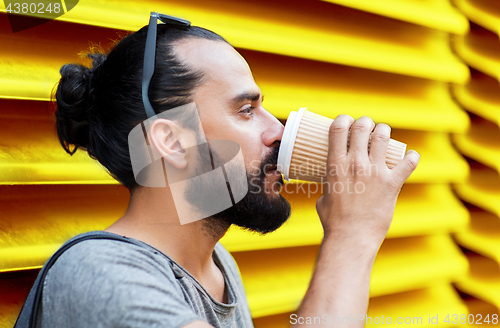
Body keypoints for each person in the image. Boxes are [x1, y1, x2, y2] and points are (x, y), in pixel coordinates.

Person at [41, 12, 419, 328]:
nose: (279, 132)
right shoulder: (100, 274)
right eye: (246, 110)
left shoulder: (219, 269)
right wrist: (353, 235)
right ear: (171, 142)